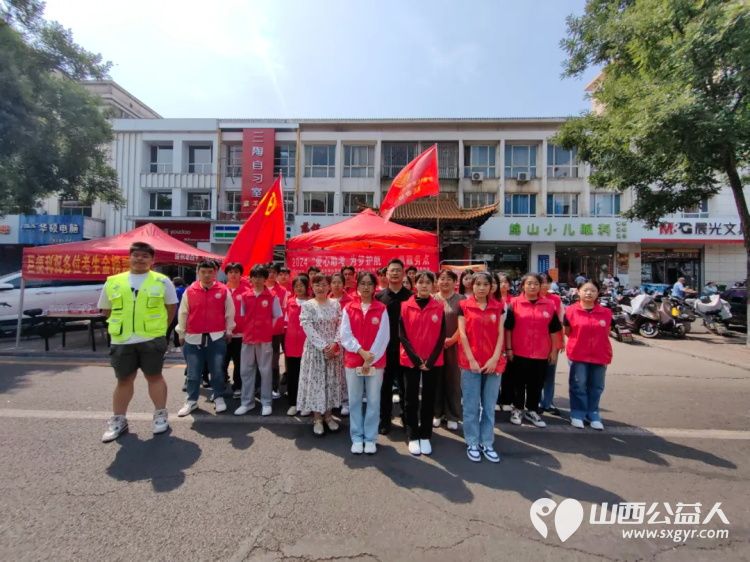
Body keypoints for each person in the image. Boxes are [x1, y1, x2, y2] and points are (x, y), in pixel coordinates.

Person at [99, 242, 178, 442]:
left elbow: (171, 308)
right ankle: (119, 419)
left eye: (145, 256)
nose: (140, 259)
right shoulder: (113, 281)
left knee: (155, 377)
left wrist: (161, 331)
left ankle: (160, 415)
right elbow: (106, 310)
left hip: (151, 338)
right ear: (129, 257)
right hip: (122, 339)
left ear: (152, 260)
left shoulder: (162, 281)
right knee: (123, 380)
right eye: (136, 255)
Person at [458, 271, 506, 462]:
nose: (481, 288)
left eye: (486, 284)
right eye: (478, 284)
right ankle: (472, 441)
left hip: (493, 363)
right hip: (470, 363)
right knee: (470, 406)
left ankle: (487, 442)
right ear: (472, 286)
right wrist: (471, 359)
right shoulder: (464, 305)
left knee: (488, 406)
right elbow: (462, 334)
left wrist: (494, 359)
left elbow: (501, 334)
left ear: (491, 287)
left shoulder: (498, 306)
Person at [176, 260, 235, 417]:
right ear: (198, 272)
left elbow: (230, 312)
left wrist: (229, 330)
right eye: (203, 272)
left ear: (215, 272)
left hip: (217, 337)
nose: (207, 275)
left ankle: (218, 396)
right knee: (193, 372)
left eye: (210, 272)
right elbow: (183, 313)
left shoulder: (223, 290)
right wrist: (181, 333)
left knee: (217, 371)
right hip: (193, 337)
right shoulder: (190, 291)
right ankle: (191, 400)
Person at [339, 272, 390, 454]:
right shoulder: (349, 308)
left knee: (374, 401)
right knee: (354, 401)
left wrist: (371, 358)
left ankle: (370, 438)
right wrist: (361, 351)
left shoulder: (381, 309)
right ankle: (357, 437)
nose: (366, 287)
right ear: (358, 286)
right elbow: (345, 335)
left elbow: (383, 337)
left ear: (375, 287)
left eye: (369, 284)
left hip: (375, 363)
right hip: (354, 361)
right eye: (363, 283)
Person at [505, 273, 562, 428]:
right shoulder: (514, 303)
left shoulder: (549, 305)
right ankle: (517, 409)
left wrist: (553, 351)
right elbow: (508, 329)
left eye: (536, 283)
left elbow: (554, 330)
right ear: (522, 286)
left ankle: (532, 411)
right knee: (518, 383)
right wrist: (509, 348)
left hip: (541, 353)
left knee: (536, 384)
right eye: (529, 283)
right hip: (519, 351)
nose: (532, 286)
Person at [399, 271, 445, 456]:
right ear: (415, 284)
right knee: (410, 398)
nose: (424, 285)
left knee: (428, 398)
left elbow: (442, 336)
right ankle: (412, 435)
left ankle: (425, 435)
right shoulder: (405, 306)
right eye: (421, 282)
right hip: (411, 360)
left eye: (428, 282)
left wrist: (430, 360)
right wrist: (417, 360)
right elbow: (402, 335)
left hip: (432, 361)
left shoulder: (439, 307)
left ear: (433, 285)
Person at [298, 274, 344, 436]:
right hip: (315, 351)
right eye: (317, 285)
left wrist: (335, 343)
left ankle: (329, 416)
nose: (321, 288)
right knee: (316, 383)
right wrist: (324, 347)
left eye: (324, 284)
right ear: (312, 287)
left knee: (330, 382)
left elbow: (341, 325)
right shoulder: (308, 305)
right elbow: (307, 327)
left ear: (329, 286)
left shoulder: (336, 304)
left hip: (333, 350)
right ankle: (317, 418)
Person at [565, 280, 613, 430]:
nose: (589, 293)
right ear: (578, 291)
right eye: (585, 290)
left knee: (596, 386)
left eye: (593, 290)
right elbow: (568, 331)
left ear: (598, 293)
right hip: (578, 354)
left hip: (600, 354)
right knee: (578, 385)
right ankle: (577, 414)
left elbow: (607, 332)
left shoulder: (606, 312)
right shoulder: (570, 311)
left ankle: (593, 413)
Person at [234, 264, 282, 416]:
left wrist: (265, 329)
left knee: (265, 371)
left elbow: (276, 316)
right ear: (251, 278)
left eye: (260, 277)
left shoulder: (272, 297)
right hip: (248, 339)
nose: (257, 280)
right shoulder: (245, 296)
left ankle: (266, 402)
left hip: (265, 339)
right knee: (246, 371)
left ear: (265, 279)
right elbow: (243, 316)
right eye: (254, 277)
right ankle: (247, 402)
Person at [376, 259, 413, 435]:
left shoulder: (411, 297)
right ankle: (385, 419)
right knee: (385, 387)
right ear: (386, 274)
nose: (395, 273)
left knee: (406, 388)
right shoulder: (379, 297)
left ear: (403, 273)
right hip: (385, 350)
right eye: (392, 270)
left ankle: (407, 419)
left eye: (398, 270)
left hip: (406, 351)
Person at [432, 269, 464, 431]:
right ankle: (436, 413)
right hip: (434, 346)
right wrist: (438, 340)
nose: (445, 282)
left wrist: (453, 339)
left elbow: (466, 323)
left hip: (455, 345)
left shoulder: (462, 300)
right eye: (442, 279)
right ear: (437, 282)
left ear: (455, 282)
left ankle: (452, 415)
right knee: (436, 380)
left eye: (448, 279)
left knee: (453, 380)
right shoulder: (431, 299)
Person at [539, 273, 565, 417]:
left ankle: (548, 403)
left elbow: (560, 322)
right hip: (535, 343)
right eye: (541, 282)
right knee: (536, 376)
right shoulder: (531, 298)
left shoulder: (555, 299)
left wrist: (561, 341)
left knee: (550, 374)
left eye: (547, 282)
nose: (544, 285)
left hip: (552, 342)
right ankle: (536, 401)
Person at [224, 262, 250, 399]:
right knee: (221, 362)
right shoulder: (222, 290)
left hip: (241, 334)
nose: (233, 275)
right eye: (230, 272)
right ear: (226, 274)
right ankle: (220, 386)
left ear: (241, 274)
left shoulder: (247, 291)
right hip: (223, 333)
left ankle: (238, 387)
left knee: (239, 363)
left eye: (236, 272)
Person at [284, 275, 309, 416]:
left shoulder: (312, 302)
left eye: (301, 285)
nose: (299, 288)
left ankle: (305, 403)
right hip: (291, 344)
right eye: (296, 286)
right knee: (293, 375)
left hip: (307, 345)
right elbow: (285, 322)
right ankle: (293, 403)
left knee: (306, 375)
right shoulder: (290, 302)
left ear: (307, 287)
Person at [329, 272, 352, 416]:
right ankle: (333, 400)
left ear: (344, 284)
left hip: (345, 342)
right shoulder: (326, 300)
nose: (336, 285)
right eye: (334, 282)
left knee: (344, 373)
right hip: (330, 342)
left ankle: (345, 402)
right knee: (332, 372)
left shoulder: (350, 301)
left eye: (339, 282)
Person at [266, 263, 289, 399]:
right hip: (260, 332)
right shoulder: (258, 287)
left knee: (274, 361)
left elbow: (284, 311)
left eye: (274, 272)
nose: (271, 274)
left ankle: (274, 387)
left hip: (276, 331)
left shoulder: (283, 291)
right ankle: (260, 387)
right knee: (261, 361)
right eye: (269, 271)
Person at [166, 276, 185, 348]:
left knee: (168, 330)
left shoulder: (176, 291)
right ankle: (177, 346)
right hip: (182, 313)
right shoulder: (185, 289)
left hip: (175, 313)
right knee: (177, 330)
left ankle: (166, 344)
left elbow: (172, 303)